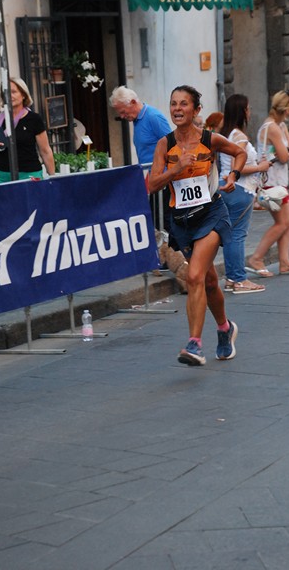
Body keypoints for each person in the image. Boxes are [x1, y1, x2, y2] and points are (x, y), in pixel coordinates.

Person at [149, 85, 247, 366]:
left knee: (193, 276)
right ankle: (225, 329)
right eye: (173, 104)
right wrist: (176, 169)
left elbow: (239, 152)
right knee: (208, 280)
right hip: (181, 220)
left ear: (196, 110)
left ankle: (194, 344)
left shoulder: (210, 139)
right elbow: (151, 184)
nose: (177, 109)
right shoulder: (164, 145)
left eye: (183, 104)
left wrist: (233, 176)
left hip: (211, 214)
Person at [246, 90, 289, 276]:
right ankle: (257, 257)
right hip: (272, 182)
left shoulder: (279, 126)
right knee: (284, 221)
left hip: (279, 181)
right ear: (286, 109)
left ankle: (285, 261)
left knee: (286, 221)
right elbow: (285, 154)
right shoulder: (272, 127)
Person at [219, 94, 271, 294]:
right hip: (240, 189)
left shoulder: (227, 134)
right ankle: (239, 279)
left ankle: (232, 278)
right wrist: (261, 166)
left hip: (229, 188)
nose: (250, 112)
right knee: (237, 235)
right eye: (248, 108)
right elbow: (236, 166)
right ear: (243, 112)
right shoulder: (239, 137)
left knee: (231, 235)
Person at [109, 85, 171, 234]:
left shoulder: (153, 117)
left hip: (164, 181)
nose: (122, 117)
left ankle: (183, 256)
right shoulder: (138, 120)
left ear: (132, 102)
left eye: (123, 112)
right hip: (154, 181)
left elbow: (173, 145)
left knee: (163, 224)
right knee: (156, 223)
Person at [0, 77, 55, 182]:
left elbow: (45, 151)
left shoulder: (33, 119)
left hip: (30, 174)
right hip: (4, 175)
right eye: (6, 92)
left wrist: (52, 178)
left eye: (13, 92)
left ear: (23, 95)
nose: (10, 95)